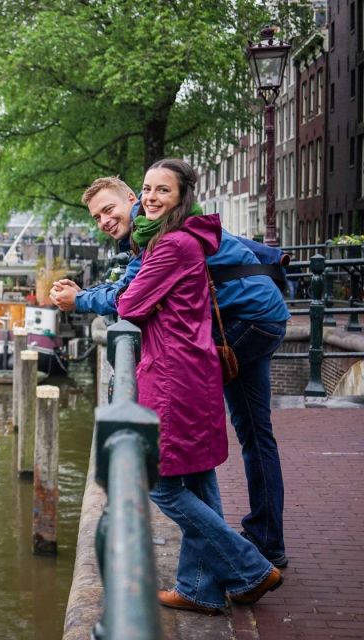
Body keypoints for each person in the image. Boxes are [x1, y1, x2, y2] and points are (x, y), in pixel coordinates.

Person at [51, 175, 291, 569]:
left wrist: (78, 298)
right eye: (96, 218)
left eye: (109, 210)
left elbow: (130, 298)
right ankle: (262, 543)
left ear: (132, 198)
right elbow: (135, 286)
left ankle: (240, 562)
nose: (105, 221)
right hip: (262, 311)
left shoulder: (156, 233)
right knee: (253, 432)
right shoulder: (156, 228)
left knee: (191, 411)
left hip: (245, 318)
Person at [115, 158, 282, 614]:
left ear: (181, 197)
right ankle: (200, 588)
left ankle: (250, 567)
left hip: (173, 376)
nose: (150, 197)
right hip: (194, 368)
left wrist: (126, 293)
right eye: (146, 189)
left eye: (161, 191)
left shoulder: (170, 246)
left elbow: (129, 305)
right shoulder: (182, 240)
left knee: (158, 482)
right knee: (199, 477)